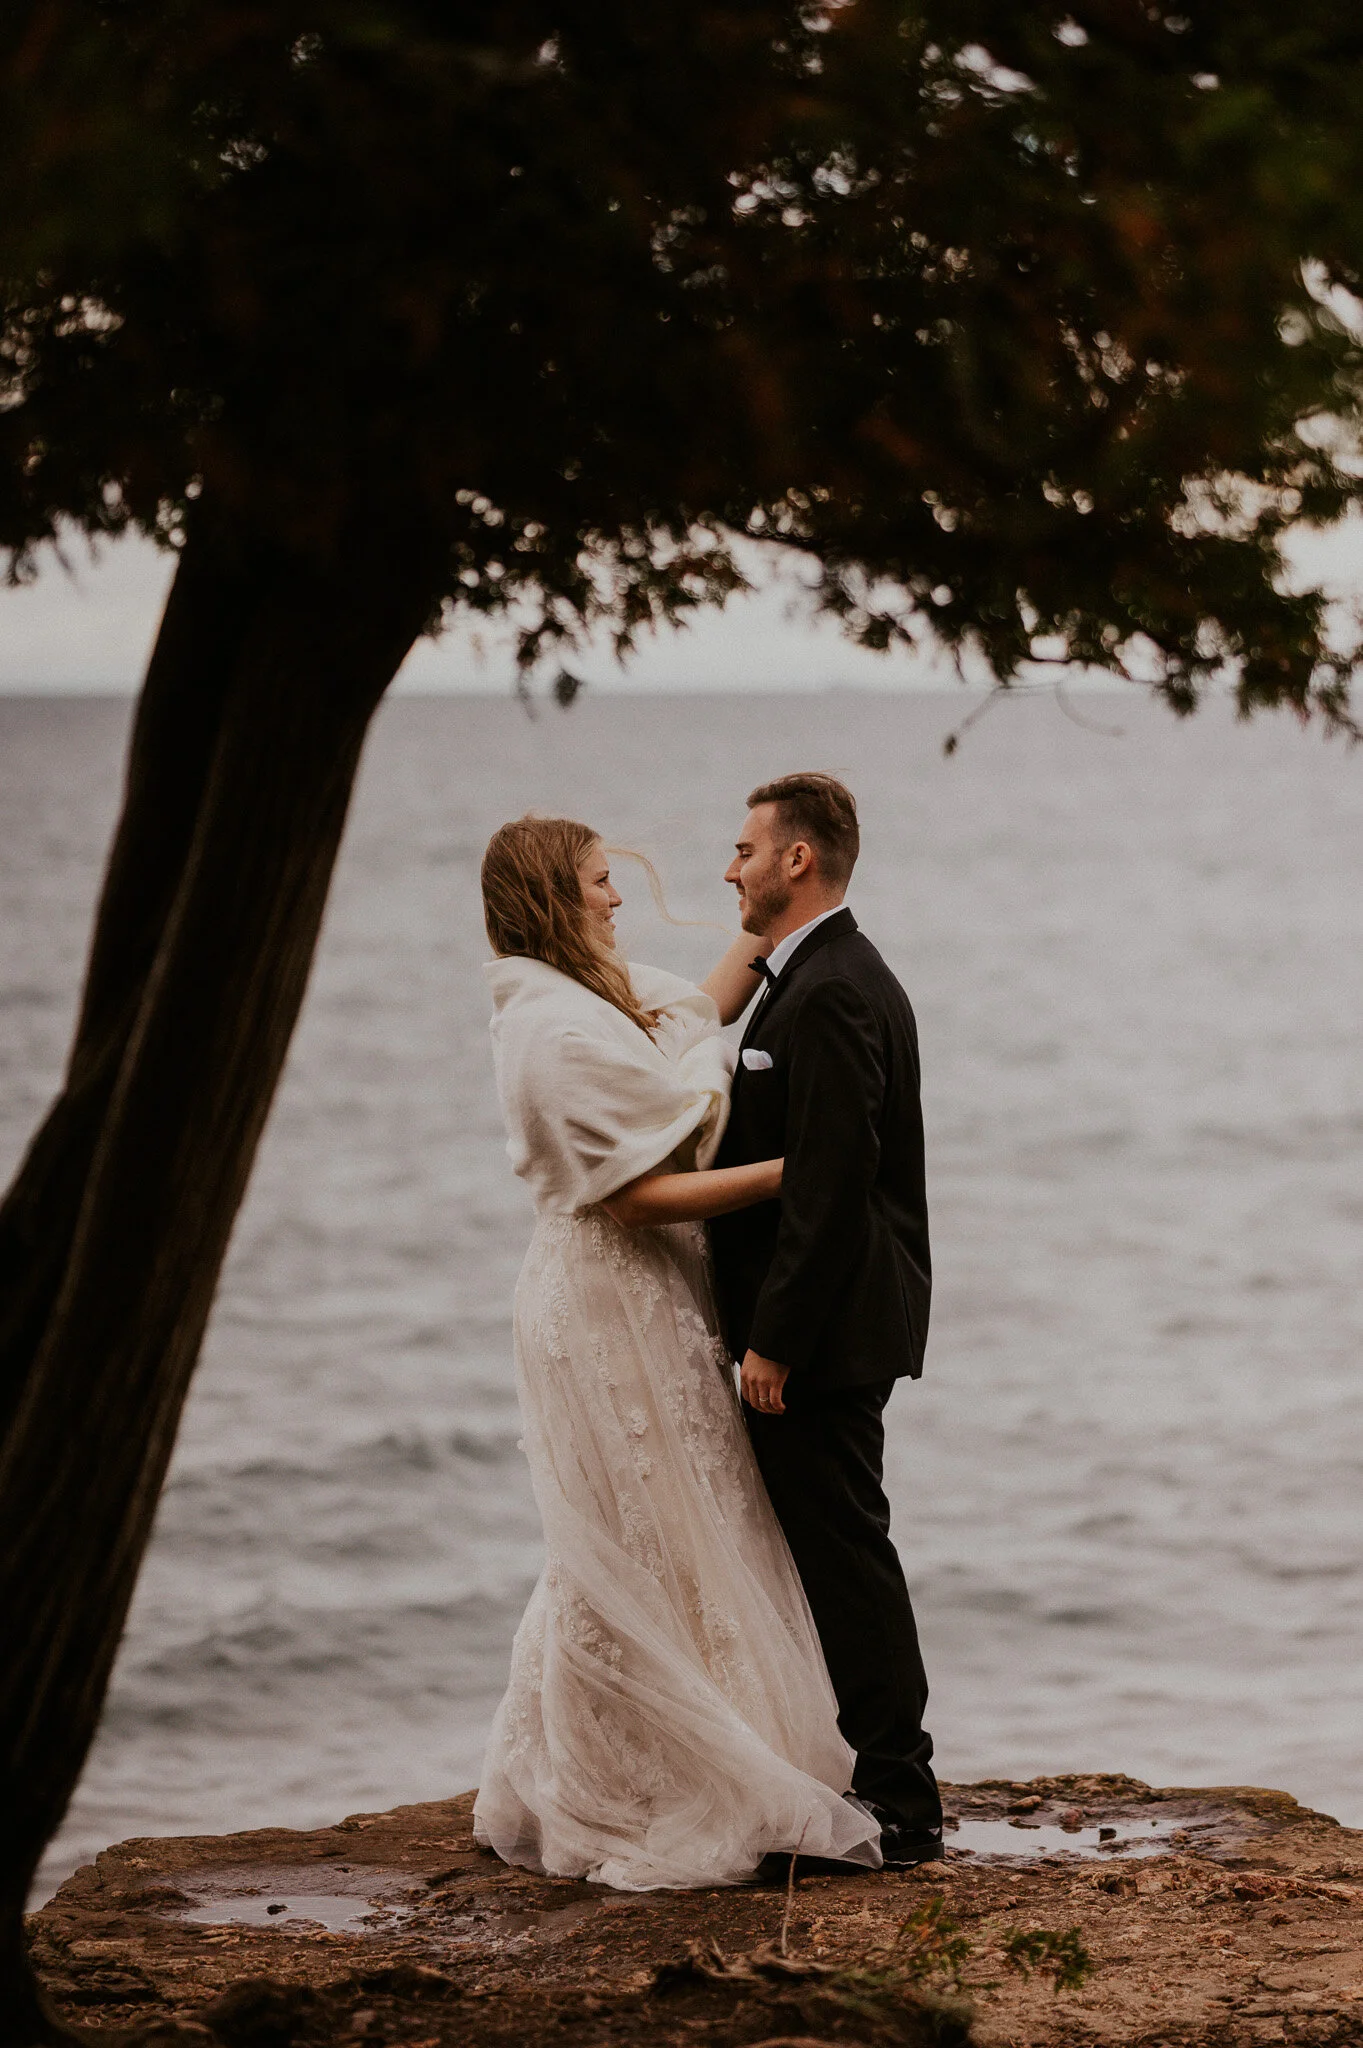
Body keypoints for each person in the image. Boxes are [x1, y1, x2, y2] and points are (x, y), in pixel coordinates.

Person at [472, 814, 881, 1889]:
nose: (617, 897)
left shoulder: (592, 995)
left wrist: (788, 905)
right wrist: (791, 1171)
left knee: (686, 1521)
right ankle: (643, 1773)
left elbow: (697, 1005)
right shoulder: (552, 1031)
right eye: (601, 882)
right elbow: (638, 1197)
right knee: (636, 1526)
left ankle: (704, 1737)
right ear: (558, 896)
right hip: (607, 1297)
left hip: (651, 1297)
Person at [708, 773, 943, 1868]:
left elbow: (833, 1186)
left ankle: (901, 1802)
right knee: (836, 1548)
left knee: (847, 1554)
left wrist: (774, 1340)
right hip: (831, 1324)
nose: (731, 867)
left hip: (828, 1332)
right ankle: (876, 1780)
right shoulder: (808, 975)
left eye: (746, 847)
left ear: (797, 858)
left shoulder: (837, 987)